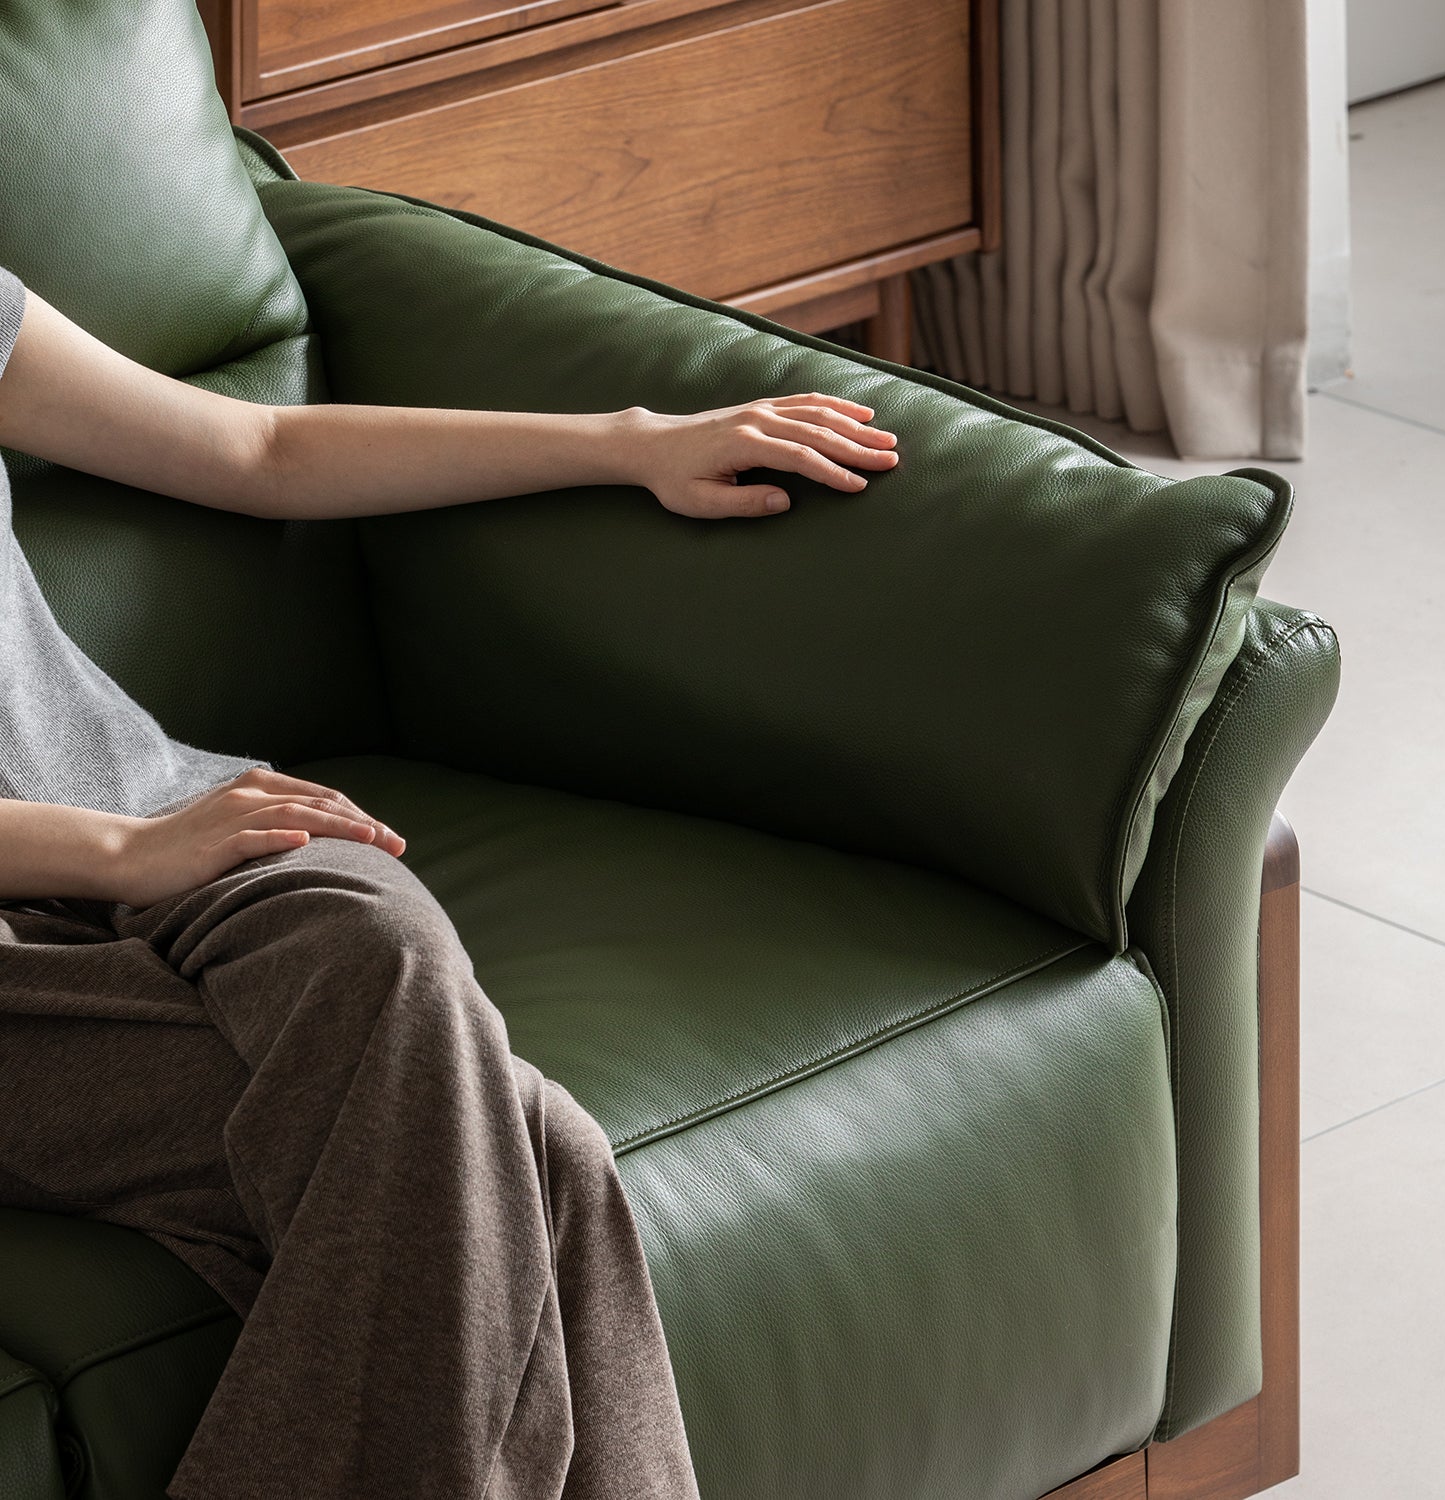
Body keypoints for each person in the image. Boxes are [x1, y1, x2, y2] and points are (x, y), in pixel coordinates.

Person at [0, 264, 900, 1500]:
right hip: (67, 913)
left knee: (380, 943)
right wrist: (111, 853)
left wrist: (630, 443)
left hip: (168, 814)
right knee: (535, 1157)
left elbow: (257, 448)